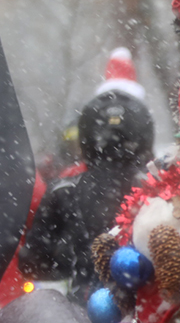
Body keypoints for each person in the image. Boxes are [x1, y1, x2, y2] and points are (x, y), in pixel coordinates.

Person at [19, 48, 154, 300]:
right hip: (150, 315)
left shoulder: (64, 189)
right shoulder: (161, 189)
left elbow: (32, 262)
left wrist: (77, 259)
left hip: (85, 310)